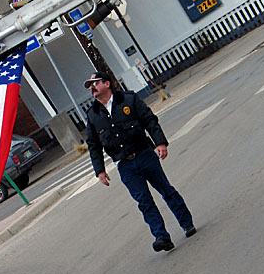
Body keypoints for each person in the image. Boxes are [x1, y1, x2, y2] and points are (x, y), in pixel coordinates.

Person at [84, 71, 196, 252]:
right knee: (144, 201)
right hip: (125, 165)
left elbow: (149, 121)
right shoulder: (93, 115)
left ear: (107, 83)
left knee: (166, 190)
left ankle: (186, 223)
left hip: (144, 154)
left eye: (95, 83)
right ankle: (161, 236)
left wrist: (160, 142)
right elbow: (93, 144)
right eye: (90, 86)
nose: (92, 88)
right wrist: (100, 170)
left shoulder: (128, 100)